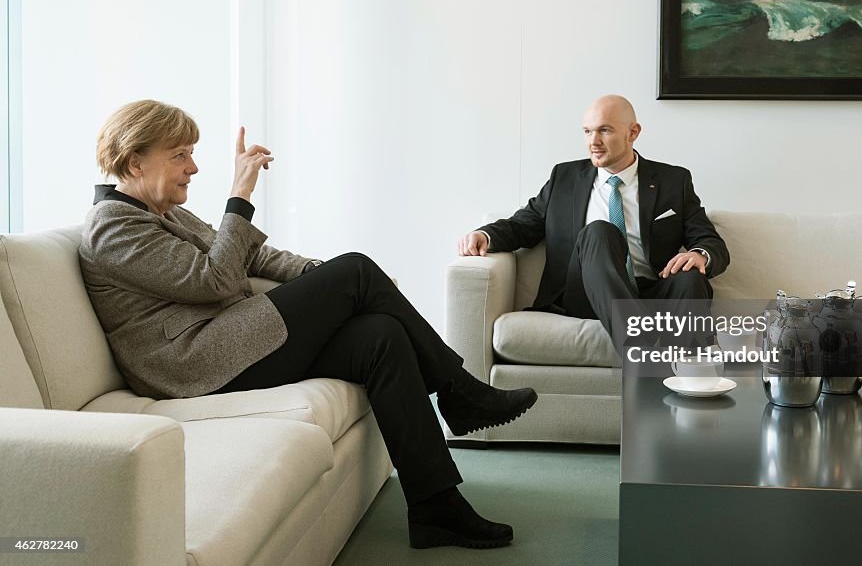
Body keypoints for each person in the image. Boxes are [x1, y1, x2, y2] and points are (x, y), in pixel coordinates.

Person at [79, 99, 537, 550]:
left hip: (227, 339)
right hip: (194, 364)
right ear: (134, 161)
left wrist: (320, 278)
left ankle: (436, 507)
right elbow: (215, 278)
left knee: (381, 335)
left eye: (192, 153)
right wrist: (239, 197)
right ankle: (460, 391)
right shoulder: (113, 226)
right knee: (356, 269)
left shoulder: (164, 213)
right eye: (180, 155)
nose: (193, 167)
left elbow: (252, 254)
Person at [458, 94, 729, 352]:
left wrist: (699, 254)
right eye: (587, 131)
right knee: (599, 231)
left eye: (605, 131)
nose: (593, 141)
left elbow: (709, 241)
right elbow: (523, 224)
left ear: (633, 132)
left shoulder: (673, 181)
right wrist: (486, 234)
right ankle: (639, 348)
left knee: (690, 279)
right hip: (587, 295)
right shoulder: (564, 177)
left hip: (650, 292)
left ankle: (693, 378)